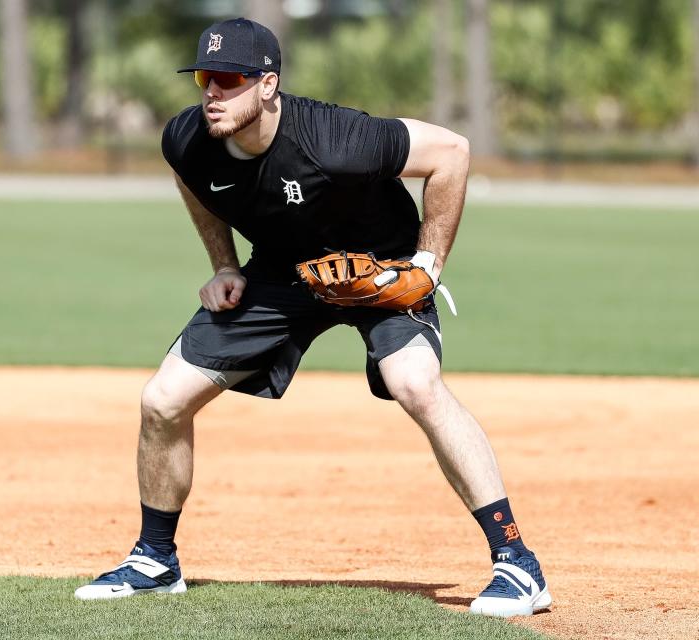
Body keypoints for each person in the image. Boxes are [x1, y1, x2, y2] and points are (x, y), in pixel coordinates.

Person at [74, 17, 551, 618]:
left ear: (268, 84)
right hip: (281, 273)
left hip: (379, 269)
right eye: (204, 77)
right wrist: (224, 264)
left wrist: (426, 267)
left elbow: (452, 152)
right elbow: (192, 177)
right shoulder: (187, 138)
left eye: (229, 78)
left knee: (416, 384)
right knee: (162, 400)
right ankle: (154, 559)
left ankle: (517, 564)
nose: (212, 92)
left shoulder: (338, 139)